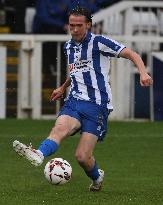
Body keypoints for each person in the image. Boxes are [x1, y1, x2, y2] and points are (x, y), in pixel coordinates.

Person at [13, 7, 153, 192]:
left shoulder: (99, 42)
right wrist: (63, 87)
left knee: (82, 157)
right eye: (72, 25)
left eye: (79, 25)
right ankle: (38, 154)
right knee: (60, 128)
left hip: (97, 105)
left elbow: (132, 54)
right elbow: (76, 71)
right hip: (75, 101)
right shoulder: (68, 46)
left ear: (88, 25)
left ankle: (97, 178)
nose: (75, 29)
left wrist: (143, 73)